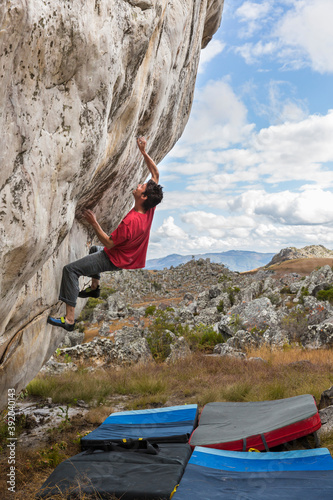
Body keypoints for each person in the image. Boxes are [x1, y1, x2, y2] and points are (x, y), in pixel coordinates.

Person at [47, 136, 163, 331]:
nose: (139, 184)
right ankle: (94, 289)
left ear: (143, 196)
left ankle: (69, 320)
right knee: (93, 248)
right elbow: (156, 173)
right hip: (127, 258)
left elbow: (109, 244)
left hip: (113, 258)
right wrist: (143, 152)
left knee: (71, 270)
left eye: (141, 187)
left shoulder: (131, 222)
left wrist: (94, 223)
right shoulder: (149, 207)